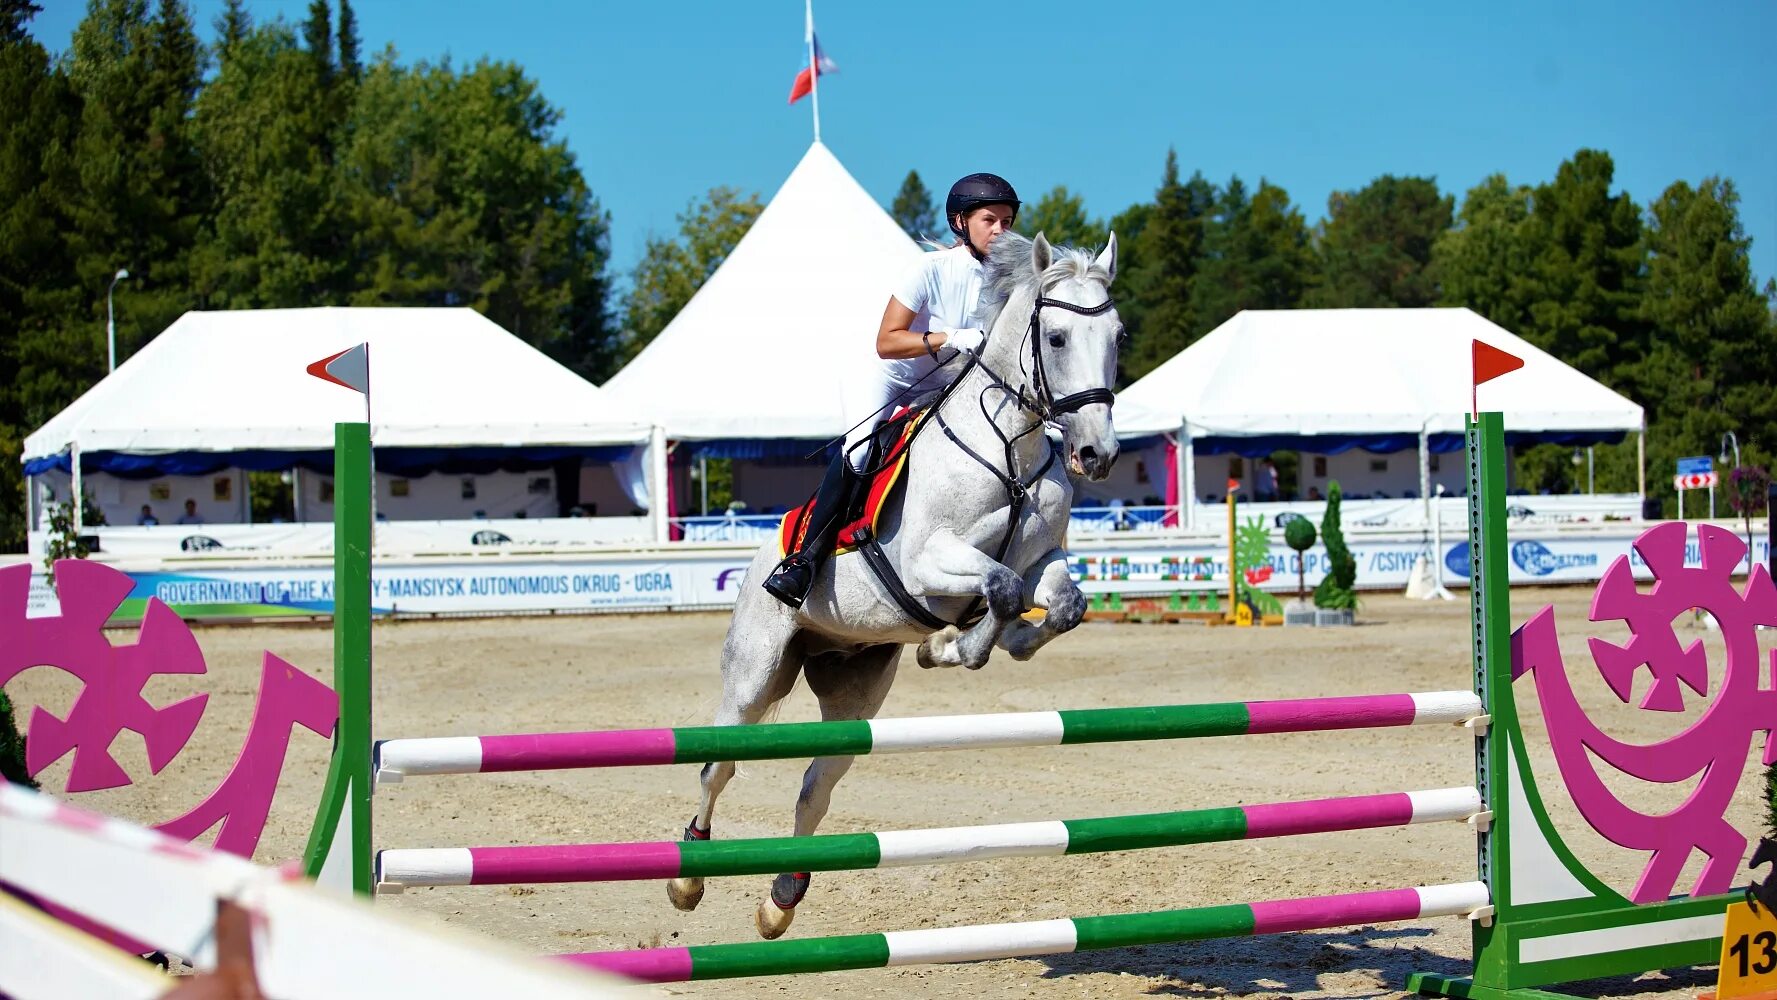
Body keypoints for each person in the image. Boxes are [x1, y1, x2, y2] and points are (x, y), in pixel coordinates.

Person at [761, 172, 1021, 608]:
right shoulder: (929, 269)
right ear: (960, 222)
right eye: (990, 220)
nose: (1000, 230)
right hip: (891, 377)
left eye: (1007, 221)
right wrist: (947, 337)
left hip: (946, 383)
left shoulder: (1012, 277)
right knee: (860, 451)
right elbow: (887, 342)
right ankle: (804, 561)